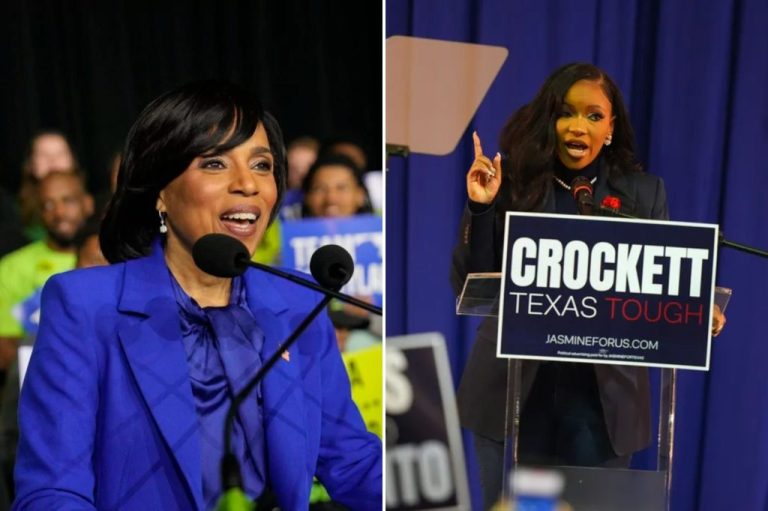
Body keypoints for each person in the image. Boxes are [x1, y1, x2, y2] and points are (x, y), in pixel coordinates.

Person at [13, 81, 381, 510]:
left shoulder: (297, 303)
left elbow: (353, 463)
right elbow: (52, 492)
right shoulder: (85, 306)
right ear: (161, 192)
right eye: (215, 164)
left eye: (262, 165)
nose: (248, 184)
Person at [450, 62, 726, 509]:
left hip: (602, 405)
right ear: (549, 121)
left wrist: (697, 308)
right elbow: (470, 282)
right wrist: (482, 209)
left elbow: (662, 281)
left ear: (611, 128)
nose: (579, 126)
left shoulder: (643, 195)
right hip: (514, 396)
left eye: (594, 115)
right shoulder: (512, 184)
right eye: (566, 113)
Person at [0, 172, 94, 370]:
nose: (59, 213)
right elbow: (4, 349)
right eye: (48, 205)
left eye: (67, 201)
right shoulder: (11, 268)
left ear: (88, 203)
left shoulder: (108, 259)